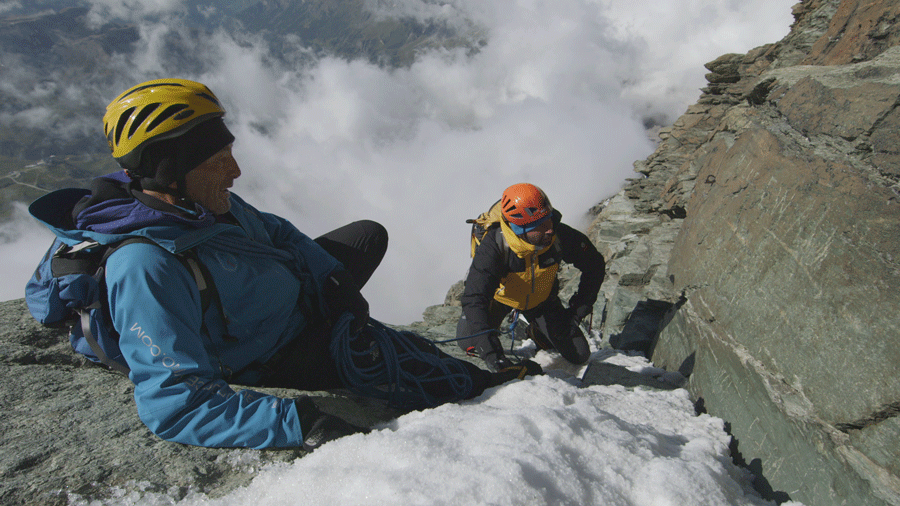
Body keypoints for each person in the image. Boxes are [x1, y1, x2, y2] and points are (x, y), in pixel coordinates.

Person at [29, 78, 527, 451]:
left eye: (230, 151)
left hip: (283, 300)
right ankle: (480, 387)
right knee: (384, 358)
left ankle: (400, 343)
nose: (235, 170)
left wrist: (331, 280)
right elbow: (175, 401)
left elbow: (278, 232)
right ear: (170, 170)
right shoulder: (146, 267)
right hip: (266, 350)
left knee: (367, 237)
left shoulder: (197, 204)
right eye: (217, 159)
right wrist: (298, 422)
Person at [456, 183, 606, 372]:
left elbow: (595, 264)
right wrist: (493, 356)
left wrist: (575, 314)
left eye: (549, 220)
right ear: (520, 229)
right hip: (501, 298)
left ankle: (536, 331)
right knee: (468, 342)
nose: (549, 229)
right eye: (540, 226)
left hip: (541, 300)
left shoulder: (559, 236)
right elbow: (474, 298)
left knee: (580, 354)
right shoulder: (494, 246)